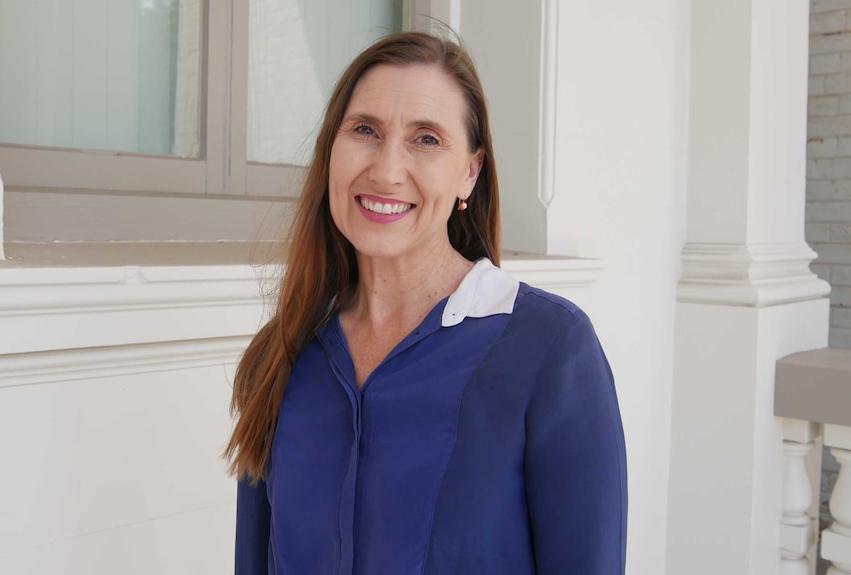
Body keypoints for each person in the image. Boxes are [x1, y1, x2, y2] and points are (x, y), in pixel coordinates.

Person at [225, 31, 627, 575]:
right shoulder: (284, 351)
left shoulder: (550, 351)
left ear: (470, 171)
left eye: (427, 139)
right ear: (331, 152)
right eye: (365, 130)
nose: (387, 170)